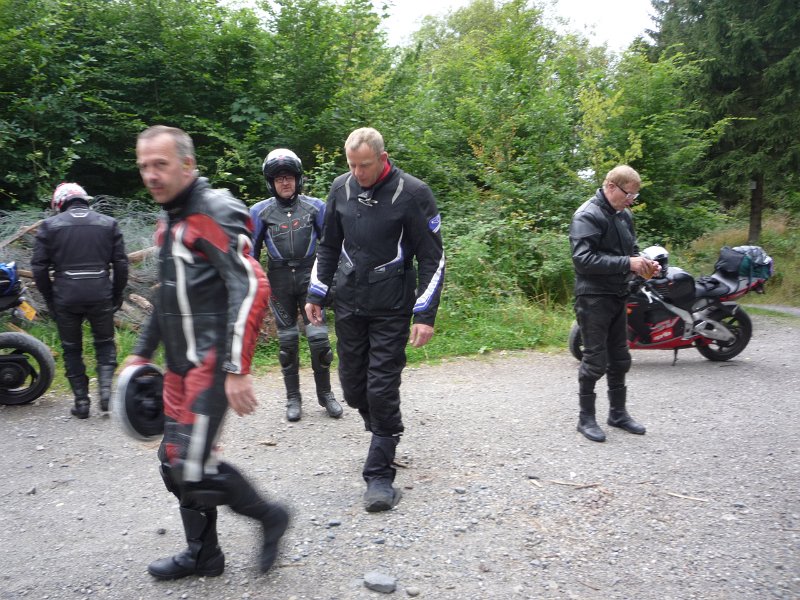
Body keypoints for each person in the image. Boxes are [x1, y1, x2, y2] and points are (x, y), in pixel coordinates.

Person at [126, 125, 289, 580]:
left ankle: (270, 516)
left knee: (191, 466)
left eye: (160, 164)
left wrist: (237, 367)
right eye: (144, 166)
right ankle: (203, 555)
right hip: (178, 366)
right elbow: (166, 296)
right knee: (173, 460)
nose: (151, 175)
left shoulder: (212, 211)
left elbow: (252, 285)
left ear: (187, 165)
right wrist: (141, 354)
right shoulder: (169, 220)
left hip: (212, 362)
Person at [305, 127, 445, 512]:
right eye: (351, 165)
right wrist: (317, 292)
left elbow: (433, 258)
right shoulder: (341, 188)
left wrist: (424, 313)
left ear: (383, 158)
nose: (358, 173)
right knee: (353, 390)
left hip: (391, 307)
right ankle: (383, 432)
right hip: (349, 303)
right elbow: (329, 245)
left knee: (381, 389)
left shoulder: (413, 193)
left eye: (364, 165)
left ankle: (379, 474)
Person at [250, 148, 343, 422]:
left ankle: (326, 395)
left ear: (298, 178)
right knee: (287, 343)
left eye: (289, 177)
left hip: (310, 277)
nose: (285, 182)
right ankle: (293, 398)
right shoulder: (259, 211)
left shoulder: (316, 207)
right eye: (279, 178)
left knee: (320, 341)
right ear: (271, 182)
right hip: (279, 281)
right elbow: (250, 254)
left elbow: (331, 247)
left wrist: (332, 282)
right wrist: (252, 286)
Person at [569, 165, 659, 442]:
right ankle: (585, 419)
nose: (631, 200)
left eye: (635, 196)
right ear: (610, 187)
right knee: (595, 360)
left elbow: (631, 251)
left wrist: (644, 265)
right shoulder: (587, 215)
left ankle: (617, 414)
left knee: (620, 358)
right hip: (593, 298)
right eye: (628, 194)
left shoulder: (624, 215)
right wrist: (627, 263)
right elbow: (582, 260)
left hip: (619, 294)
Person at [32, 183, 128, 419]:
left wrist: (50, 298)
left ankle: (82, 402)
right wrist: (116, 294)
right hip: (100, 292)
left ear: (59, 202)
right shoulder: (108, 223)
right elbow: (121, 264)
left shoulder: (49, 226)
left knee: (71, 348)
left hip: (66, 295)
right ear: (84, 199)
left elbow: (39, 268)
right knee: (105, 343)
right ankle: (105, 392)